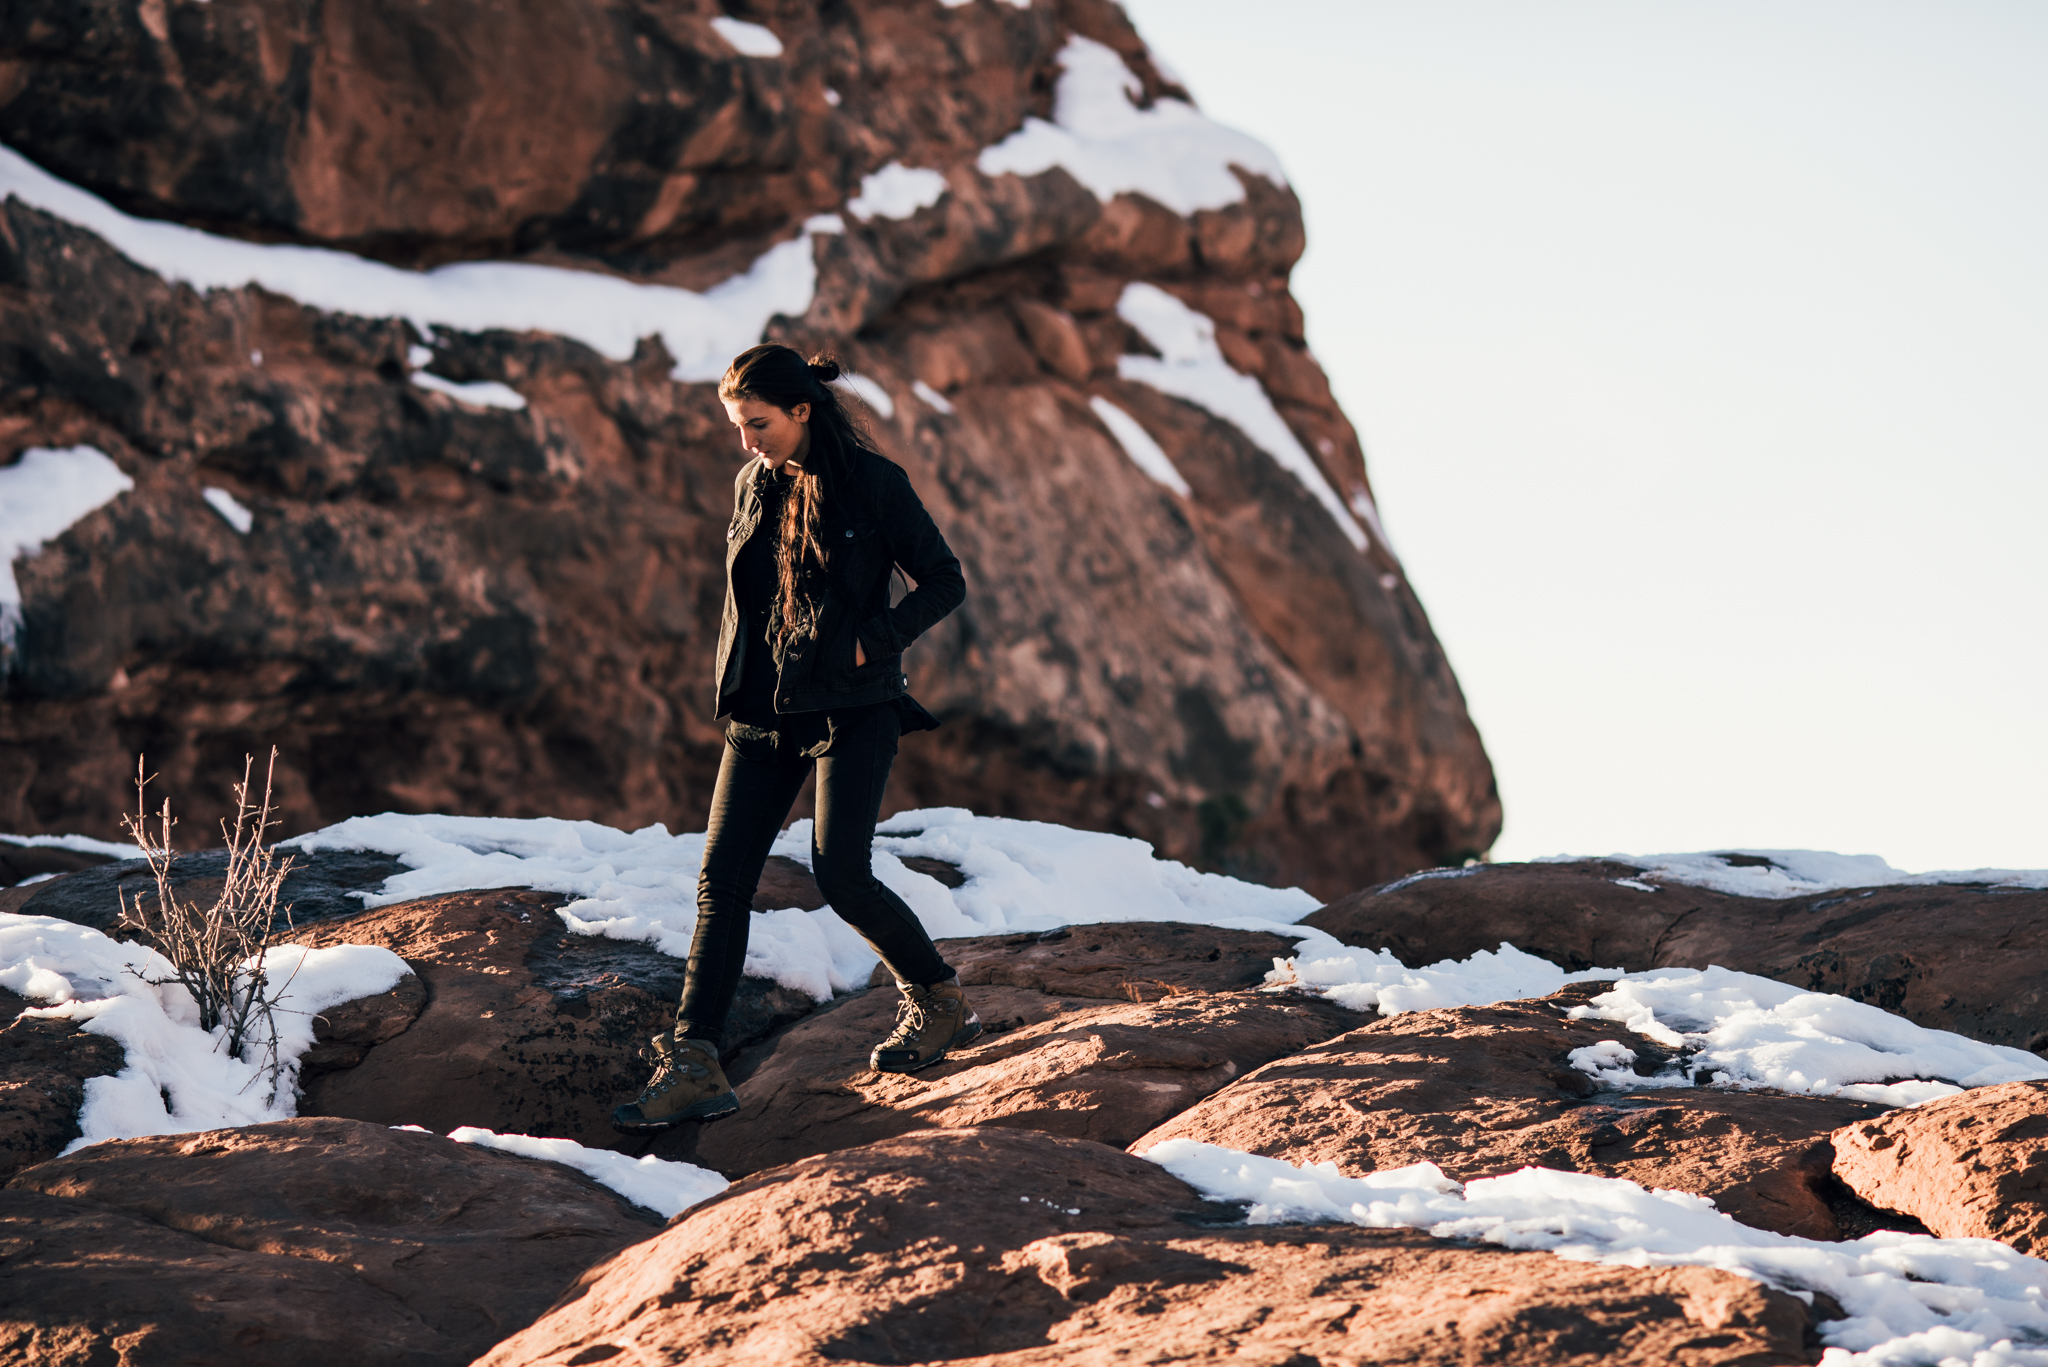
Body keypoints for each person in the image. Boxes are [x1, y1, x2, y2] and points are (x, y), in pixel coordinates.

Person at [611, 344, 978, 1134]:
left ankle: (938, 999)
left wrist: (869, 643)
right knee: (722, 882)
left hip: (854, 706)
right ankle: (694, 1062)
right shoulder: (754, 483)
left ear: (803, 409)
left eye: (759, 424)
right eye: (738, 426)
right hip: (764, 712)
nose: (747, 441)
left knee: (841, 872)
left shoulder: (875, 483)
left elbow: (944, 578)